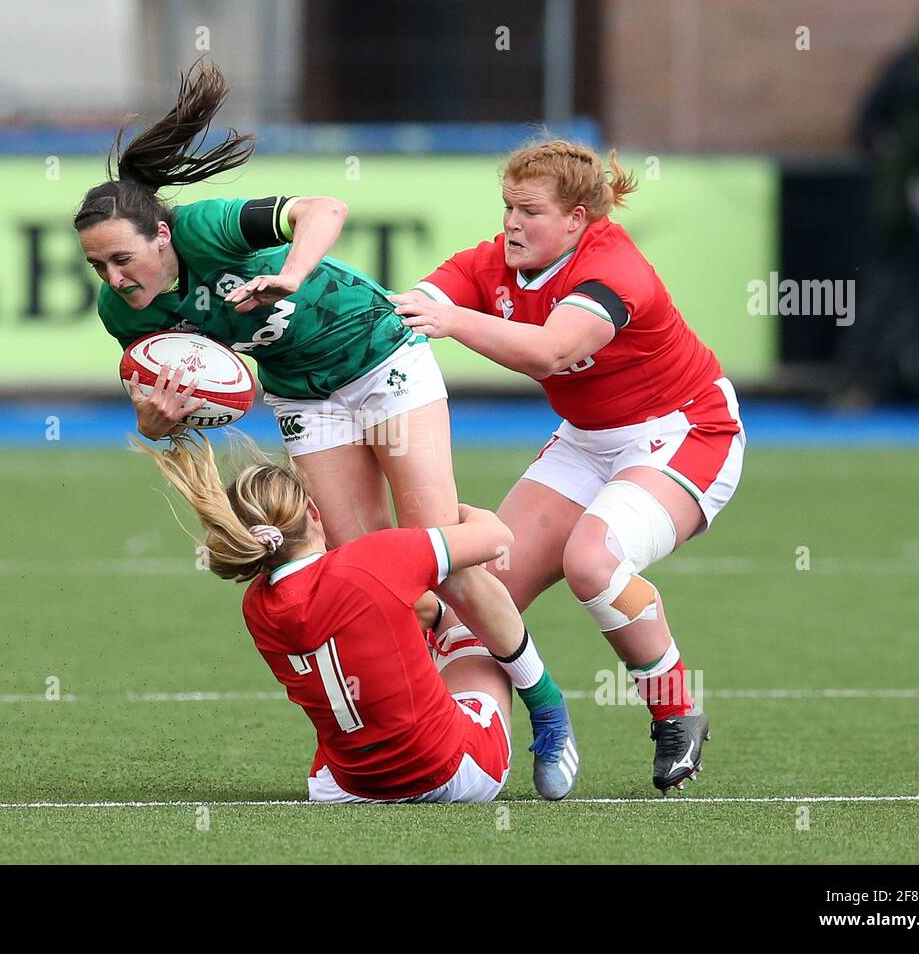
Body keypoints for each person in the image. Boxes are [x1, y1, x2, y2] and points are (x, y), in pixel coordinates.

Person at [73, 59, 578, 798]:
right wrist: (156, 422)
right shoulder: (125, 314)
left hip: (381, 357)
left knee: (434, 554)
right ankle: (439, 703)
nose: (114, 278)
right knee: (370, 569)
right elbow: (175, 400)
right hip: (306, 398)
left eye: (122, 258)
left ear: (161, 235)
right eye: (98, 267)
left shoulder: (209, 230)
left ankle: (549, 708)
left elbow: (325, 208)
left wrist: (292, 273)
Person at [392, 140, 745, 792]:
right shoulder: (494, 263)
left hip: (685, 432)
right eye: (507, 207)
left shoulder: (615, 270)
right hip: (587, 439)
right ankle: (464, 755)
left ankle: (676, 711)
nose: (511, 224)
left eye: (529, 210)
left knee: (594, 560)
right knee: (472, 599)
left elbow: (551, 352)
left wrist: (450, 321)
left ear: (578, 219)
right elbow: (408, 305)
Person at [136, 430, 519, 803]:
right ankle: (547, 707)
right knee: (461, 617)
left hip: (349, 787)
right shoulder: (375, 558)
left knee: (408, 622)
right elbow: (498, 537)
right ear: (313, 512)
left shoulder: (255, 605)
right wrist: (455, 516)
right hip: (456, 773)